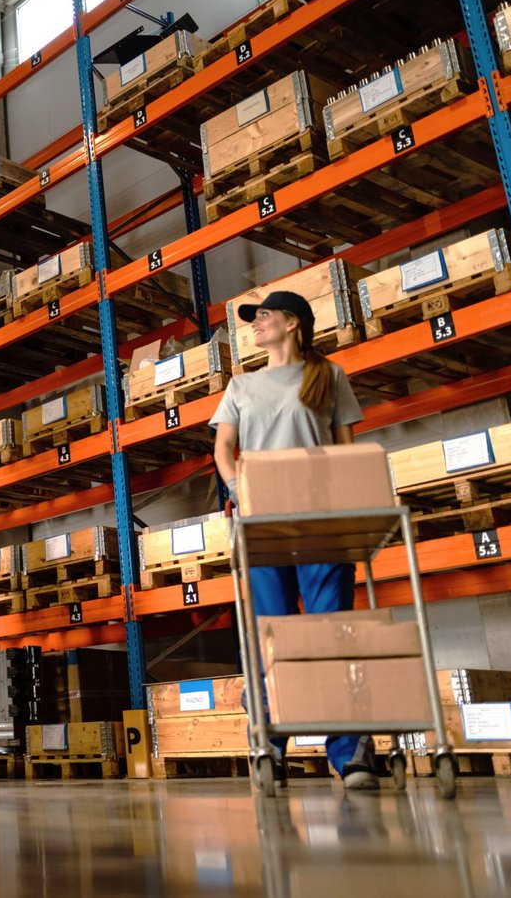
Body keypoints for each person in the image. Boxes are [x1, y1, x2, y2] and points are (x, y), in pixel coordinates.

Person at [211, 289, 378, 792]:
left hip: (322, 521)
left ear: (292, 323)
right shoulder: (241, 386)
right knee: (271, 635)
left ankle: (349, 752)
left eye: (263, 317)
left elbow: (345, 449)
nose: (255, 326)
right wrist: (242, 490)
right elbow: (223, 448)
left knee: (331, 632)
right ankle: (270, 744)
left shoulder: (327, 377)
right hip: (263, 523)